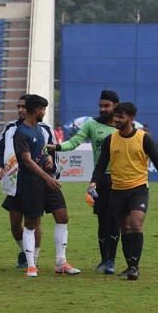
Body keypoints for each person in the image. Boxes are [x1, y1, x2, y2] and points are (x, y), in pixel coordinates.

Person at [90, 102, 158, 281]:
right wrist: (93, 183)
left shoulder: (143, 138)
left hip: (138, 189)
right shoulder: (111, 139)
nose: (116, 120)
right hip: (117, 191)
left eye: (120, 117)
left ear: (131, 118)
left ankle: (134, 268)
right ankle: (130, 265)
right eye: (115, 116)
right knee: (125, 228)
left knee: (136, 224)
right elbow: (101, 165)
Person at [50, 89, 120, 274]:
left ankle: (111, 260)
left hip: (121, 178)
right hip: (101, 178)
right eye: (100, 106)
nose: (103, 109)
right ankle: (104, 259)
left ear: (116, 107)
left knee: (114, 220)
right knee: (102, 220)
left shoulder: (123, 126)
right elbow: (74, 142)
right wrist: (56, 146)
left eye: (106, 106)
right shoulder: (91, 124)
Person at [13, 94, 79, 277]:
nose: (44, 112)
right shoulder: (21, 132)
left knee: (62, 215)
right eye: (42, 109)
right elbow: (26, 161)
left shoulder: (39, 130)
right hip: (31, 182)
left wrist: (48, 158)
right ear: (35, 110)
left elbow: (40, 153)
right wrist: (47, 177)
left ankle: (61, 262)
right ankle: (31, 265)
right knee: (31, 223)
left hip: (46, 178)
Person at [0, 95, 41, 269]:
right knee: (14, 224)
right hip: (14, 183)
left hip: (34, 182)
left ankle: (34, 258)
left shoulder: (42, 129)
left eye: (24, 107)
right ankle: (25, 252)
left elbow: (50, 153)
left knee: (34, 222)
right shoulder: (9, 128)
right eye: (18, 106)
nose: (20, 110)